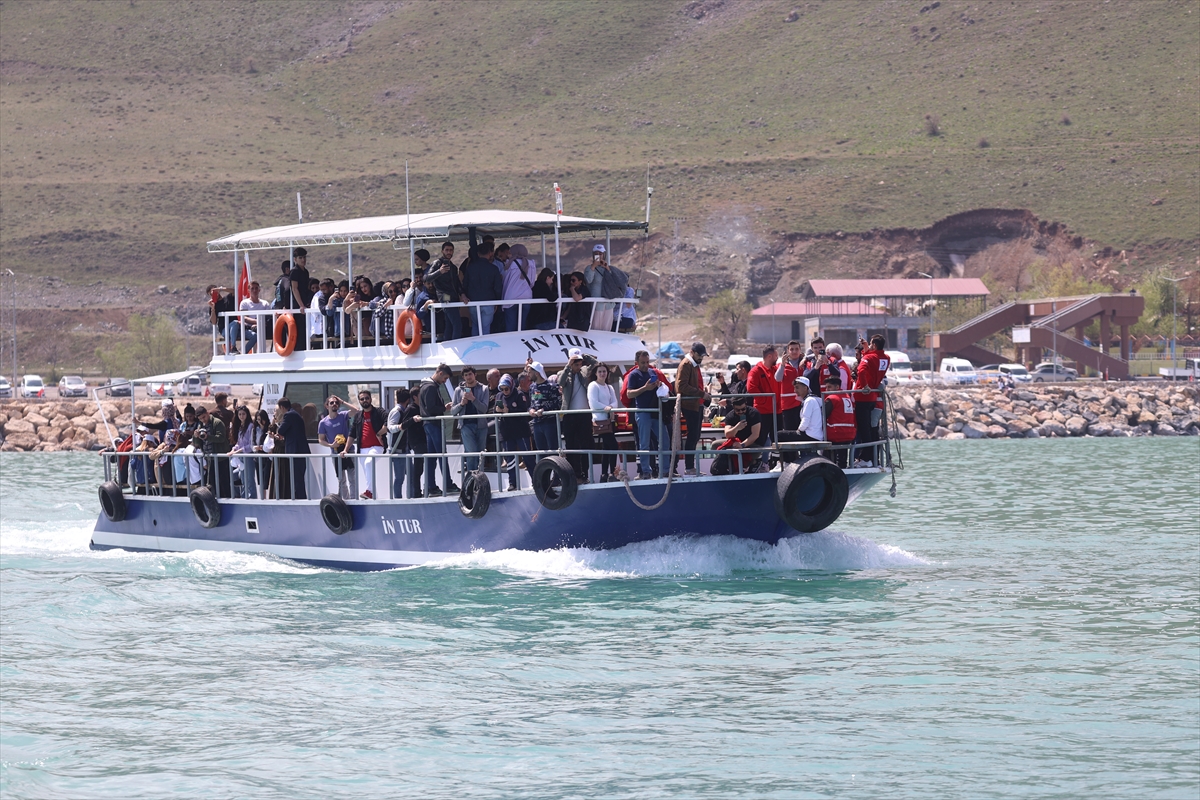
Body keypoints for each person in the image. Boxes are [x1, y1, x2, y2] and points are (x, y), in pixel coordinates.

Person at [557, 348, 597, 481]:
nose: (578, 365)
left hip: (584, 415)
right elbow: (560, 382)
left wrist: (584, 356)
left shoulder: (584, 371)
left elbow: (596, 364)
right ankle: (574, 473)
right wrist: (568, 365)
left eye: (579, 362)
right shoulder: (563, 373)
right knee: (571, 445)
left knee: (585, 444)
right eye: (575, 362)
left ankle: (585, 473)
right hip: (569, 415)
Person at [852, 334, 890, 466]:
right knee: (870, 428)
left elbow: (861, 370)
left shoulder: (868, 357)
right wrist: (867, 348)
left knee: (864, 429)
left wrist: (865, 386)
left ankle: (866, 458)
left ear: (874, 345)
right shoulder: (886, 358)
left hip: (862, 396)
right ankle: (872, 458)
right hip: (873, 397)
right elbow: (875, 362)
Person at [419, 364, 455, 497]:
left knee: (432, 457)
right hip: (433, 424)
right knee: (441, 455)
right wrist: (444, 408)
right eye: (445, 378)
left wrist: (441, 407)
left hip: (428, 424)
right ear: (440, 373)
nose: (445, 381)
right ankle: (448, 484)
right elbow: (431, 409)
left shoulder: (425, 386)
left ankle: (431, 486)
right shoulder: (431, 387)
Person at [625, 350, 663, 479]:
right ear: (637, 363)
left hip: (655, 411)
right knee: (644, 443)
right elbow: (629, 394)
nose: (646, 365)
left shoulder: (652, 372)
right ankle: (645, 471)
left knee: (664, 440)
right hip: (642, 411)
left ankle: (665, 469)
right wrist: (645, 388)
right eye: (643, 363)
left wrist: (658, 385)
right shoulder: (633, 375)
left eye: (647, 362)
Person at [674, 342, 709, 476]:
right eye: (700, 355)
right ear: (692, 352)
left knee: (695, 436)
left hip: (696, 404)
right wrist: (701, 393)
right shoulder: (686, 364)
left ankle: (690, 467)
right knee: (693, 436)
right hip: (690, 405)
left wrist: (703, 393)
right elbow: (681, 386)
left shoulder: (693, 364)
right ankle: (689, 467)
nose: (701, 358)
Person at [495, 373, 535, 490]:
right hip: (506, 432)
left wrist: (510, 410)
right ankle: (513, 483)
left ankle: (535, 480)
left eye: (506, 389)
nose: (504, 391)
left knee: (528, 457)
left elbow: (523, 409)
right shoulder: (499, 395)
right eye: (502, 389)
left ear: (511, 386)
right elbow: (494, 410)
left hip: (520, 430)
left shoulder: (519, 394)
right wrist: (498, 410)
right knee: (510, 459)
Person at [344, 389, 385, 499]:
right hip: (362, 449)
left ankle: (369, 492)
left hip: (377, 446)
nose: (365, 400)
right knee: (368, 475)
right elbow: (352, 434)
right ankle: (373, 498)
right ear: (359, 401)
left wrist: (380, 433)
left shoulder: (379, 412)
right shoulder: (358, 416)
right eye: (362, 399)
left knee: (368, 462)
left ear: (371, 399)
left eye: (367, 398)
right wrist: (345, 450)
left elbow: (388, 421)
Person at [710, 396, 763, 475]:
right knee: (715, 445)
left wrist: (742, 445)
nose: (741, 412)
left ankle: (753, 463)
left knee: (750, 451)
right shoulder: (730, 416)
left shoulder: (754, 413)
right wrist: (736, 428)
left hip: (752, 443)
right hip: (735, 442)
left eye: (743, 409)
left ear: (746, 405)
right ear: (733, 408)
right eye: (738, 410)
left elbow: (755, 435)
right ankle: (727, 467)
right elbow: (728, 434)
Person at [318, 395, 359, 499]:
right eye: (331, 403)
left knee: (352, 479)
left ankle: (354, 501)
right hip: (336, 453)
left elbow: (356, 411)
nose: (334, 404)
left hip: (348, 450)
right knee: (341, 480)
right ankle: (345, 501)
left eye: (336, 402)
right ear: (327, 406)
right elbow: (321, 440)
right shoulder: (323, 423)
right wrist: (331, 445)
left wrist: (343, 401)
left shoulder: (343, 415)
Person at [451, 366, 490, 473]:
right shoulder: (458, 390)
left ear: (475, 375)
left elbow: (484, 409)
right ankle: (471, 481)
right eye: (466, 375)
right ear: (463, 377)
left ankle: (479, 480)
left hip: (481, 426)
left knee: (480, 455)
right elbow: (453, 411)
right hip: (466, 426)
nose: (468, 377)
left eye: (470, 374)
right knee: (471, 453)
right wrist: (462, 404)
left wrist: (473, 399)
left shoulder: (484, 389)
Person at [583, 244, 629, 331]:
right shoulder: (589, 268)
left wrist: (607, 268)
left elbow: (615, 281)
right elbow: (588, 280)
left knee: (606, 328)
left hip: (608, 302)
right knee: (596, 326)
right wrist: (593, 266)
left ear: (604, 254)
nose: (598, 255)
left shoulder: (608, 268)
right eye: (596, 253)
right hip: (596, 303)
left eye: (600, 253)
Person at [588, 363, 620, 482]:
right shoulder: (593, 385)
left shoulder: (609, 387)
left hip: (609, 420)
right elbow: (593, 403)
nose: (602, 374)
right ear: (595, 373)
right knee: (613, 446)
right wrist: (606, 407)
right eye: (600, 371)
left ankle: (604, 475)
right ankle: (612, 473)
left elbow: (615, 402)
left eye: (604, 371)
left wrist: (610, 407)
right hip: (600, 421)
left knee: (606, 448)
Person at [427, 241, 466, 340]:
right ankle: (455, 345)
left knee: (449, 324)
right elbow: (426, 278)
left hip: (453, 297)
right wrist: (439, 272)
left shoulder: (453, 267)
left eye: (451, 250)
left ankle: (448, 345)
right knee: (457, 324)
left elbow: (457, 283)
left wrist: (462, 294)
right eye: (447, 250)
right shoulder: (437, 263)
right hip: (444, 296)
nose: (449, 252)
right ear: (442, 251)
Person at [274, 397, 310, 499]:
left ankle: (300, 500)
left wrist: (277, 421)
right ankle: (300, 498)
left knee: (297, 479)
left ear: (281, 407)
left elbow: (281, 431)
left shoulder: (289, 415)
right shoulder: (294, 414)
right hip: (299, 450)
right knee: (298, 478)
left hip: (296, 451)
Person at [526, 360, 562, 460]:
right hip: (536, 423)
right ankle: (544, 475)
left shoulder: (552, 387)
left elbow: (558, 403)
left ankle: (556, 475)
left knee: (553, 450)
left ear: (537, 373)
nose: (528, 374)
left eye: (530, 372)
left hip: (549, 423)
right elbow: (531, 404)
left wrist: (543, 409)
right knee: (541, 452)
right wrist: (531, 411)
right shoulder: (532, 387)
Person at [747, 346, 782, 443]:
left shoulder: (776, 370)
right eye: (776, 356)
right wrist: (765, 400)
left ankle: (776, 458)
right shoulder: (755, 371)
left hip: (777, 410)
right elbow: (751, 388)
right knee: (760, 437)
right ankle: (758, 458)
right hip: (762, 411)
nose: (777, 358)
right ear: (770, 356)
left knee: (778, 438)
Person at [196, 406, 232, 498]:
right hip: (210, 459)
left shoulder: (217, 423)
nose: (203, 420)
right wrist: (195, 436)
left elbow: (221, 438)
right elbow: (197, 443)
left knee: (224, 484)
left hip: (221, 459)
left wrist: (208, 437)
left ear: (208, 413)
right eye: (200, 419)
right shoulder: (201, 426)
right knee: (213, 484)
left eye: (204, 417)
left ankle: (227, 503)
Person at [821, 374, 857, 468]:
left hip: (836, 433)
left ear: (837, 387)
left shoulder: (831, 399)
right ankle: (842, 470)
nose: (827, 390)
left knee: (826, 457)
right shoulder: (846, 396)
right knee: (842, 460)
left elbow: (822, 415)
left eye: (829, 387)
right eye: (826, 387)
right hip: (848, 434)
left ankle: (826, 470)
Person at [386, 388, 414, 499]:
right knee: (399, 478)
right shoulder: (397, 411)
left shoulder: (402, 411)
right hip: (397, 451)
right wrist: (400, 426)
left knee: (411, 476)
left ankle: (411, 498)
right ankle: (397, 499)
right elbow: (390, 427)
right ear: (408, 399)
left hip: (404, 449)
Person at [774, 340, 805, 432]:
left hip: (802, 403)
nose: (794, 352)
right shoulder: (782, 365)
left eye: (796, 349)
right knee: (789, 430)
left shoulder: (805, 363)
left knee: (803, 429)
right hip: (788, 404)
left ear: (800, 350)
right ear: (788, 351)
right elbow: (778, 378)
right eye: (791, 349)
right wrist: (783, 365)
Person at [287, 248, 311, 351]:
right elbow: (294, 288)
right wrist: (301, 304)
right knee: (299, 331)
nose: (303, 260)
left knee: (306, 331)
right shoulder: (294, 271)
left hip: (305, 303)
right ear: (295, 259)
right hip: (298, 305)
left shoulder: (305, 272)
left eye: (304, 257)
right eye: (300, 258)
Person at [796, 376, 825, 442]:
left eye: (797, 388)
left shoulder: (809, 400)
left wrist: (799, 430)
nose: (795, 391)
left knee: (780, 435)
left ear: (805, 388)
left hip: (811, 435)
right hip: (814, 434)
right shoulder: (810, 399)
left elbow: (806, 420)